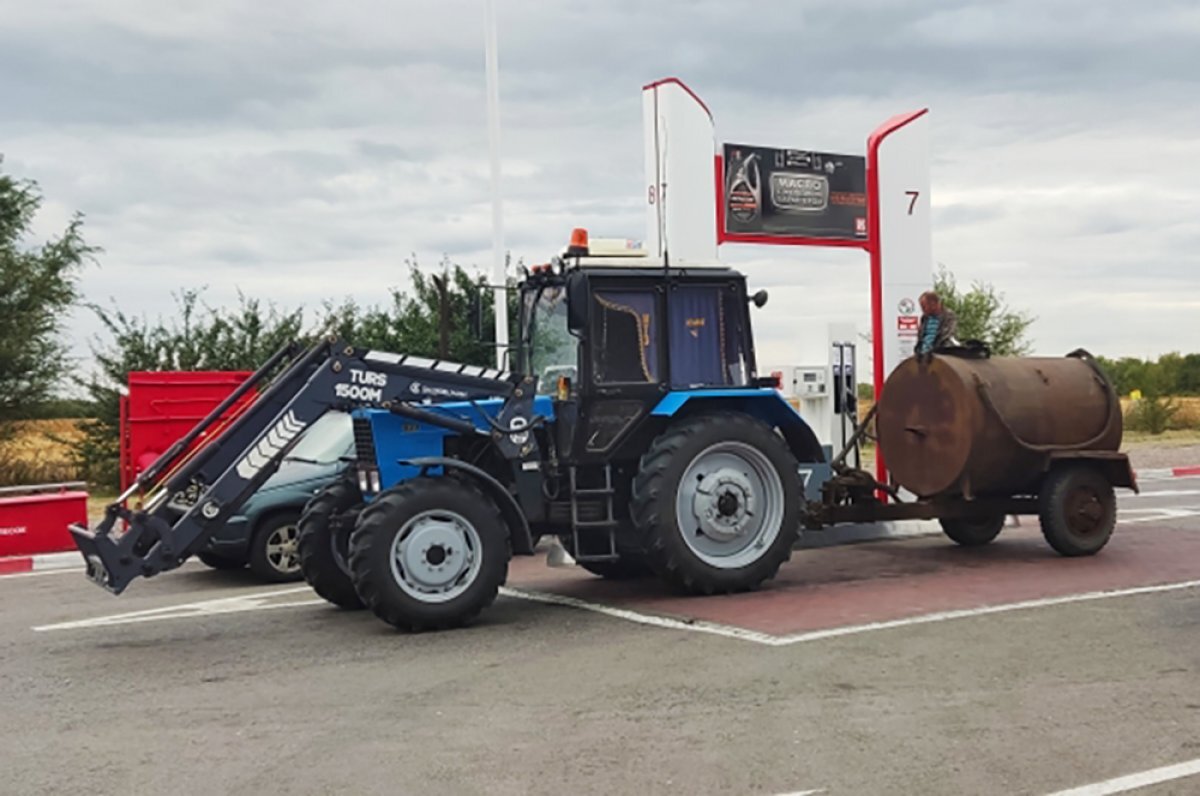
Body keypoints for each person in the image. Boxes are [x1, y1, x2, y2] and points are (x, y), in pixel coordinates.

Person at [916, 291, 958, 356]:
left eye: (924, 307)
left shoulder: (948, 316)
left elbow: (946, 336)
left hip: (941, 352)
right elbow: (921, 337)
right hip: (923, 353)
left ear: (933, 304)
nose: (922, 310)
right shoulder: (924, 318)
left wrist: (933, 350)